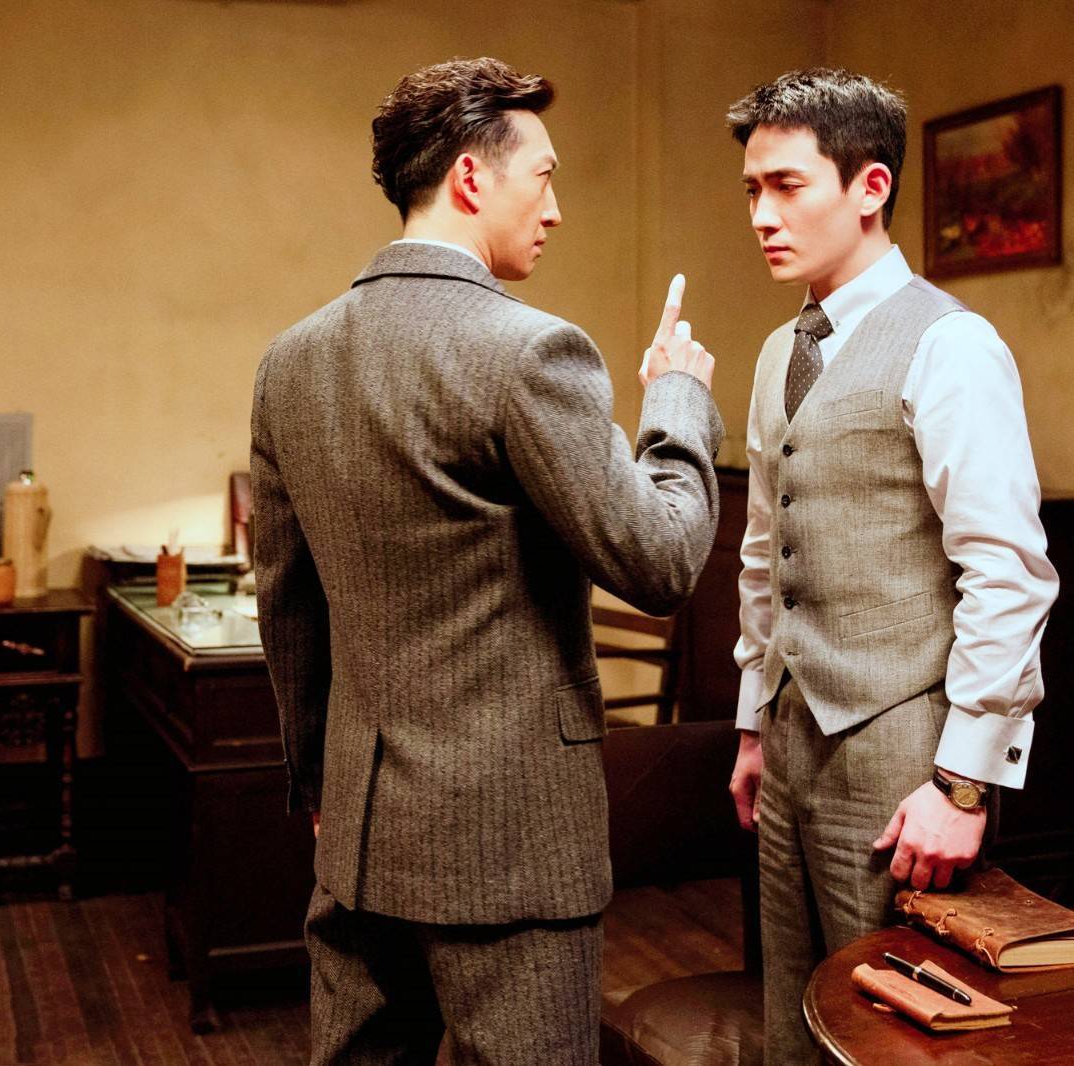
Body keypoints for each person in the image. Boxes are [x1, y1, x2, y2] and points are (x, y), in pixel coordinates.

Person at [249, 57, 723, 1065]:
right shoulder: (529, 351)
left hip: (359, 836)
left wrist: (322, 786)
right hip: (510, 846)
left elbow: (286, 606)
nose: (554, 208)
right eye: (542, 177)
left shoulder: (289, 361)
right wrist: (677, 403)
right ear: (471, 177)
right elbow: (659, 562)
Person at [721, 68, 1061, 1063]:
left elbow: (1008, 570)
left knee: (899, 1036)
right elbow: (762, 551)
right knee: (793, 1026)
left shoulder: (951, 344)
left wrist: (962, 785)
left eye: (787, 186)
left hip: (901, 750)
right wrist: (752, 720)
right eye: (752, 190)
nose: (762, 215)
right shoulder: (777, 351)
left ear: (870, 186)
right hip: (790, 739)